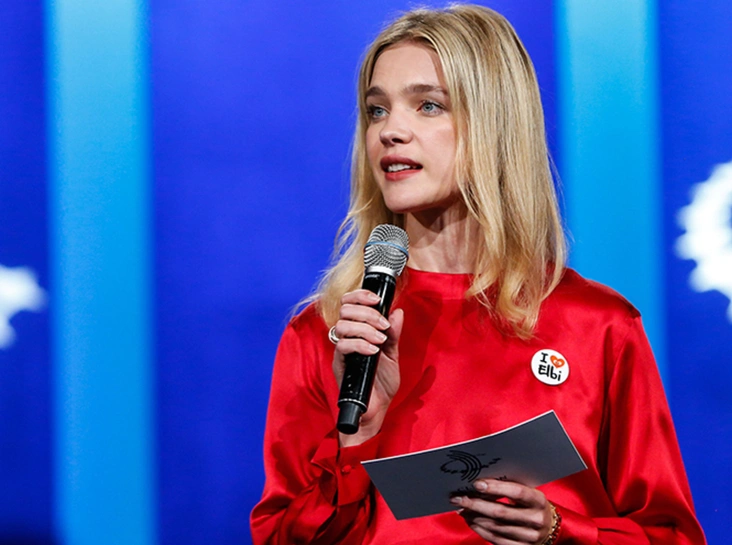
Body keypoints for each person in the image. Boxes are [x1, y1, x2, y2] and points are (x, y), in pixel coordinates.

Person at [250, 4, 706, 544]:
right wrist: (359, 440)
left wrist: (561, 532)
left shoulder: (598, 325)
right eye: (377, 110)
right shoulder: (331, 333)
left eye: (428, 105)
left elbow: (671, 535)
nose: (391, 131)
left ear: (496, 123)